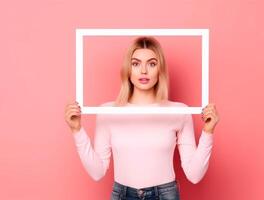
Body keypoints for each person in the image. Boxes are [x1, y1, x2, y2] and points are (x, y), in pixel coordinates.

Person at [64, 36, 220, 200]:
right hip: (122, 195)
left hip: (165, 195)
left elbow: (194, 175)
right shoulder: (108, 112)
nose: (143, 71)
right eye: (136, 63)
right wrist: (77, 130)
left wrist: (208, 131)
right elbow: (97, 172)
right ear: (128, 69)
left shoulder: (179, 111)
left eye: (152, 64)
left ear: (160, 69)